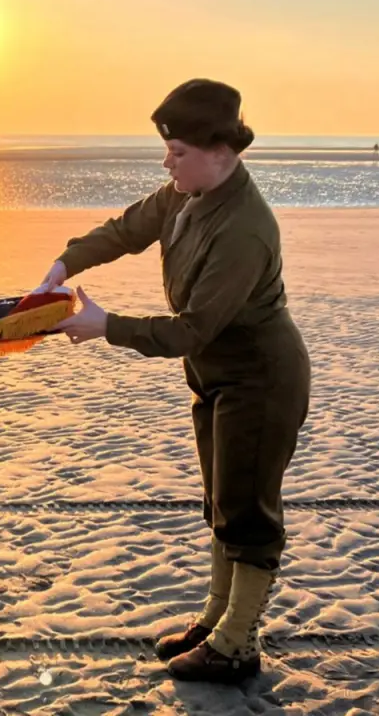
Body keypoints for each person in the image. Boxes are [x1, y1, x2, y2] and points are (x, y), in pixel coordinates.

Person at [36, 79, 311, 684]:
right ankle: (216, 621)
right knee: (220, 501)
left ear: (221, 150)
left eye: (178, 151)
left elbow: (192, 330)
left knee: (248, 511)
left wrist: (105, 324)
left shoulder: (245, 226)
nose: (167, 160)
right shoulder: (186, 194)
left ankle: (238, 644)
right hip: (215, 378)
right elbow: (127, 229)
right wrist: (65, 264)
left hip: (260, 379)